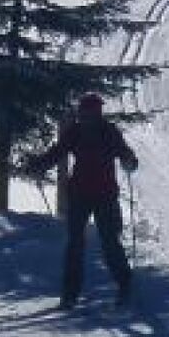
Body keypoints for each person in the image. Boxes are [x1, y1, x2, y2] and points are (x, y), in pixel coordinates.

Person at [50, 91, 138, 307]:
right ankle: (70, 294)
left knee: (108, 242)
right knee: (77, 244)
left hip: (103, 194)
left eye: (94, 111)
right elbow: (57, 152)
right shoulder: (77, 132)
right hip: (82, 194)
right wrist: (38, 164)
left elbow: (124, 152)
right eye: (87, 111)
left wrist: (130, 160)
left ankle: (124, 285)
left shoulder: (108, 132)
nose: (90, 115)